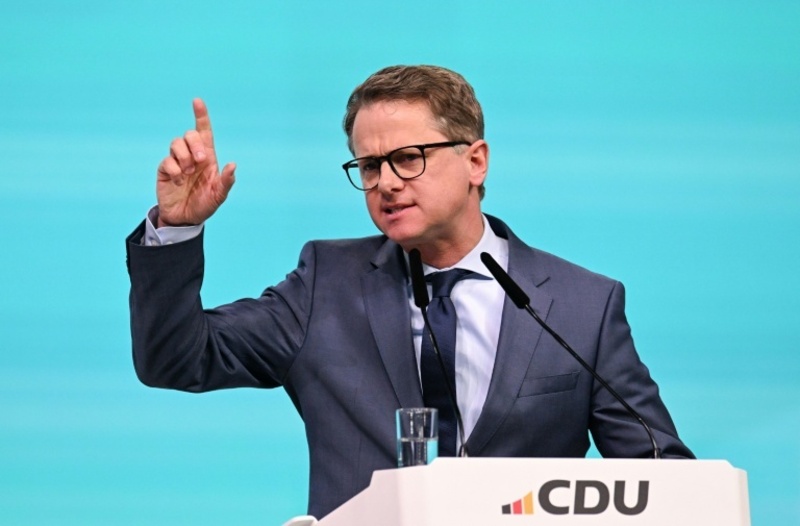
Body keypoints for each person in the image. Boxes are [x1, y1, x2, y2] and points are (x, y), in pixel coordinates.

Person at [126, 65, 693, 519]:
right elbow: (176, 359)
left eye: (407, 158)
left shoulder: (580, 306)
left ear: (476, 161)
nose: (387, 183)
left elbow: (662, 470)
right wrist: (177, 228)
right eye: (370, 166)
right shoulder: (325, 284)